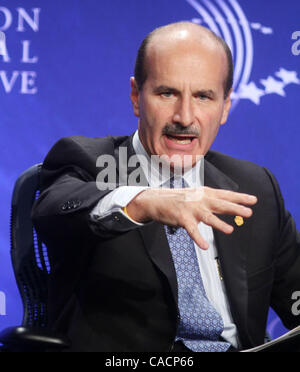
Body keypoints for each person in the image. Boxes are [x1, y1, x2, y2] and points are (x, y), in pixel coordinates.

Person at [32, 22, 300, 352]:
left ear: (226, 106)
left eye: (203, 96)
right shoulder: (90, 162)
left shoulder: (254, 186)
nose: (184, 116)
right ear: (136, 96)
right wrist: (145, 202)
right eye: (167, 93)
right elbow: (52, 213)